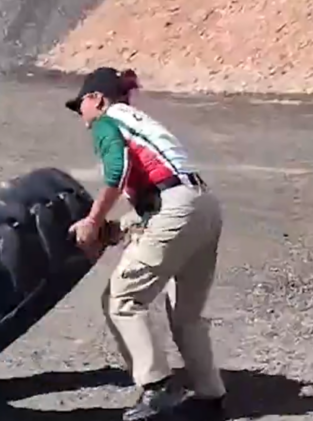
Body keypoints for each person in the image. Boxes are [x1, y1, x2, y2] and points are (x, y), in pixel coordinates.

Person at [66, 67, 226, 421]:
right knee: (186, 315)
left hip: (177, 208)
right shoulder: (142, 122)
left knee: (122, 299)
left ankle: (157, 388)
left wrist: (93, 221)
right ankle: (209, 394)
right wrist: (116, 229)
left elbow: (116, 171)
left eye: (81, 106)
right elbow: (158, 200)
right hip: (204, 206)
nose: (82, 117)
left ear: (98, 99)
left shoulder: (108, 121)